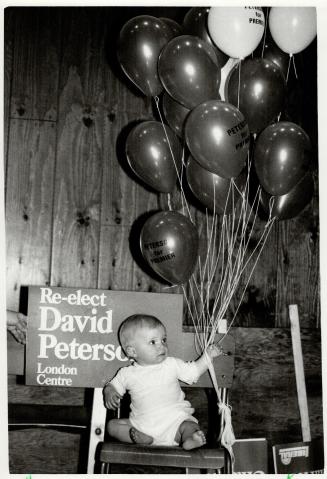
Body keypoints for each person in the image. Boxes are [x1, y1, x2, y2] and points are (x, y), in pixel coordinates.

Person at [103, 314, 223, 450]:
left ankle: (190, 439)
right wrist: (110, 391)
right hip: (141, 426)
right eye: (153, 342)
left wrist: (208, 356)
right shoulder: (127, 373)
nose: (162, 346)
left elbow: (193, 372)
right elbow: (113, 386)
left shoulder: (171, 364)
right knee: (112, 426)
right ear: (132, 351)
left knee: (190, 426)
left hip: (175, 423)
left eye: (164, 340)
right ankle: (142, 439)